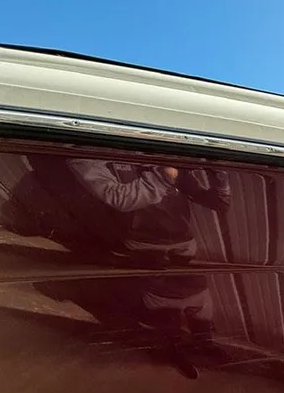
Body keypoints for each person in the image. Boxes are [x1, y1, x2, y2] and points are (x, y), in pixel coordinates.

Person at [70, 159, 232, 378]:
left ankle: (204, 343)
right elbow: (118, 197)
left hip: (184, 247)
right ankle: (173, 352)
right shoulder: (88, 154)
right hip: (146, 249)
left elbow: (218, 203)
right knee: (164, 309)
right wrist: (165, 174)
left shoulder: (160, 150)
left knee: (200, 300)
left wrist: (220, 179)